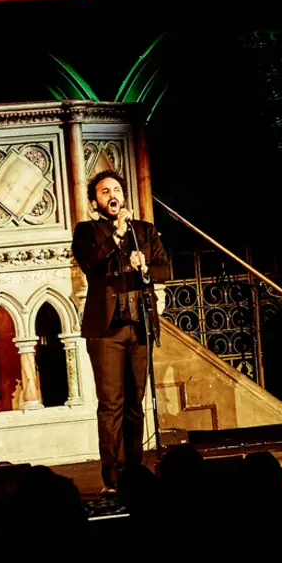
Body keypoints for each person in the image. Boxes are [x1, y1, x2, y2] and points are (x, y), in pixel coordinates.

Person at [72, 170, 170, 495]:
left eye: (116, 189)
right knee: (110, 404)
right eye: (104, 192)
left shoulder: (144, 231)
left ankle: (135, 470)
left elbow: (164, 269)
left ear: (124, 195)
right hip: (106, 330)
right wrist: (116, 235)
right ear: (95, 201)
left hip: (139, 324)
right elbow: (92, 266)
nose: (112, 195)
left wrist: (145, 267)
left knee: (134, 402)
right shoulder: (87, 232)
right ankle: (111, 478)